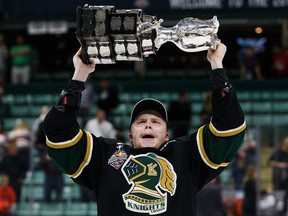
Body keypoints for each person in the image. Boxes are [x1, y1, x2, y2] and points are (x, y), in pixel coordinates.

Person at [43, 42, 246, 216]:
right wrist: (80, 75)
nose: (148, 123)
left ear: (166, 135)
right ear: (131, 136)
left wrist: (217, 65)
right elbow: (58, 132)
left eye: (156, 121)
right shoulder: (105, 155)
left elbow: (230, 127)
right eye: (141, 122)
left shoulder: (186, 154)